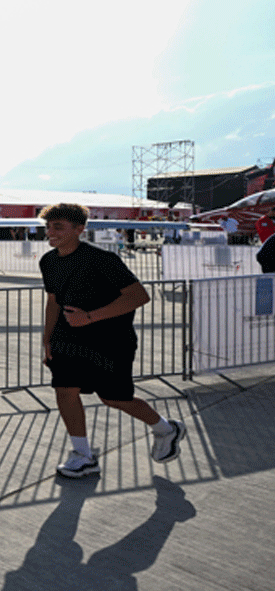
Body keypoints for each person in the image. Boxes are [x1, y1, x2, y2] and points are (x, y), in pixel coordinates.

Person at [39, 203, 186, 479]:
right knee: (65, 391)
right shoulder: (48, 261)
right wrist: (47, 339)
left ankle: (167, 429)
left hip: (110, 342)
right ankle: (83, 455)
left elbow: (139, 296)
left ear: (79, 229)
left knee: (115, 398)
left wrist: (91, 317)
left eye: (58, 226)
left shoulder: (102, 260)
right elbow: (53, 301)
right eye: (48, 226)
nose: (51, 232)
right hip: (68, 339)